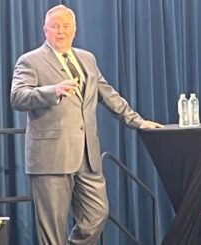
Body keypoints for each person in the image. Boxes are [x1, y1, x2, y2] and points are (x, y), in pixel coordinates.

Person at [11, 4, 163, 245]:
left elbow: (107, 94)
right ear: (45, 30)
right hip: (52, 156)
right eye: (55, 26)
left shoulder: (87, 59)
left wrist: (137, 121)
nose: (61, 31)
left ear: (75, 30)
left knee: (97, 214)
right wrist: (53, 91)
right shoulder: (31, 61)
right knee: (52, 230)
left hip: (87, 154)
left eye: (66, 26)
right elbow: (18, 97)